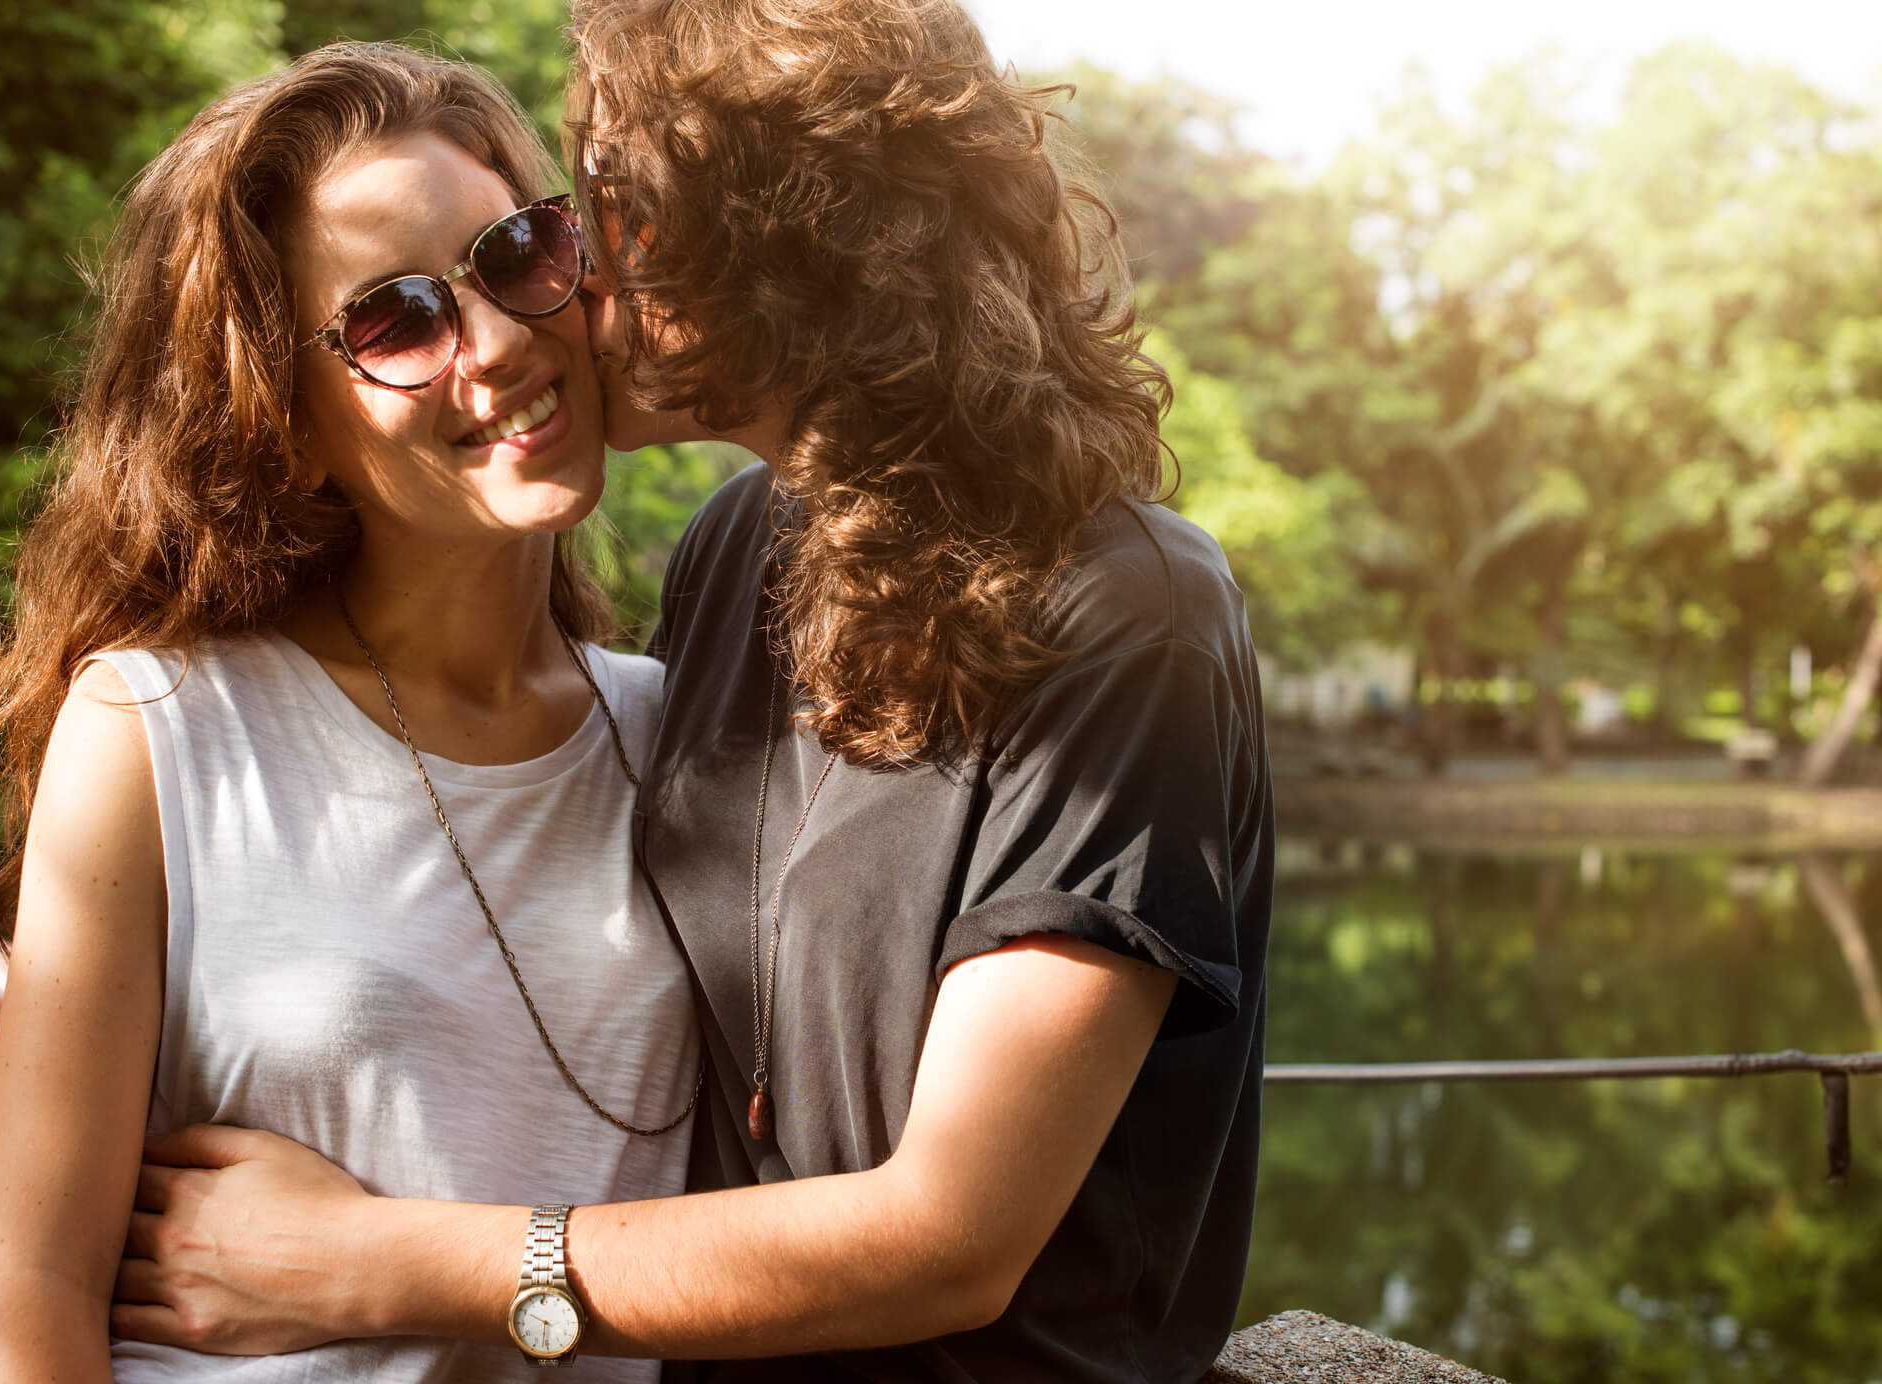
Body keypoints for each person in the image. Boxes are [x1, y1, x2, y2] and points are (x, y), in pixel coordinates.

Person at [112, 1, 1276, 1379]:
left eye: (615, 214)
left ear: (799, 248)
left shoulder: (1126, 617)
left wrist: (365, 1262)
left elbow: (954, 1236)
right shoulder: (748, 547)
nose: (578, 274)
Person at [0, 43, 700, 1383]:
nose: (499, 340)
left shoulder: (685, 736)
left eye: (519, 251)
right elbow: (22, 1298)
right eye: (398, 319)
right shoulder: (164, 726)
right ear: (282, 417)